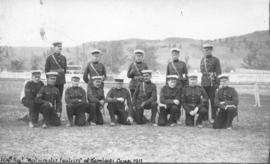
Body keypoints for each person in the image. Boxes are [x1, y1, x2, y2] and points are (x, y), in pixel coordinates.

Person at [166, 48, 188, 124]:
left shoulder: (183, 64)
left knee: (180, 102)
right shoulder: (169, 65)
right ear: (171, 55)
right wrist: (167, 86)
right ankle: (172, 117)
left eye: (176, 54)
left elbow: (186, 76)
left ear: (179, 55)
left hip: (180, 86)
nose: (175, 56)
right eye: (173, 54)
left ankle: (178, 118)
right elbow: (167, 76)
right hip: (172, 86)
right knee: (172, 102)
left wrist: (186, 86)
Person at [200, 43, 222, 122]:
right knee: (204, 101)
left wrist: (218, 84)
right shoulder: (202, 60)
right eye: (205, 50)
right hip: (204, 83)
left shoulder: (216, 60)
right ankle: (205, 117)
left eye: (208, 50)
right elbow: (202, 72)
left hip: (213, 83)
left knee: (213, 101)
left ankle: (213, 117)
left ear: (211, 50)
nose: (206, 51)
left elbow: (219, 73)